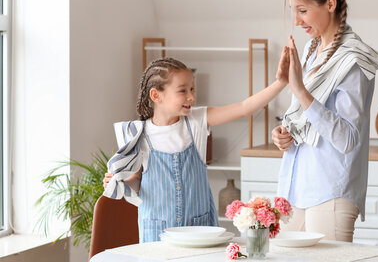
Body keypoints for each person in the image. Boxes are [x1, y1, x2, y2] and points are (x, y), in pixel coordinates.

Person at [103, 52, 289, 243]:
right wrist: (120, 184)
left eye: (192, 89)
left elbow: (244, 107)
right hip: (157, 233)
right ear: (156, 95)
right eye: (183, 90)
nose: (191, 96)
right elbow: (138, 180)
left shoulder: (196, 122)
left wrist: (281, 82)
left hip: (200, 231)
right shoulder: (136, 133)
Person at [273, 0, 378, 242]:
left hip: (330, 192)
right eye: (293, 12)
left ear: (330, 4)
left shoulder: (353, 60)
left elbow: (349, 138)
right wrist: (284, 134)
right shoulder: (313, 52)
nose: (296, 21)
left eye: (302, 11)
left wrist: (300, 90)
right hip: (296, 186)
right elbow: (305, 117)